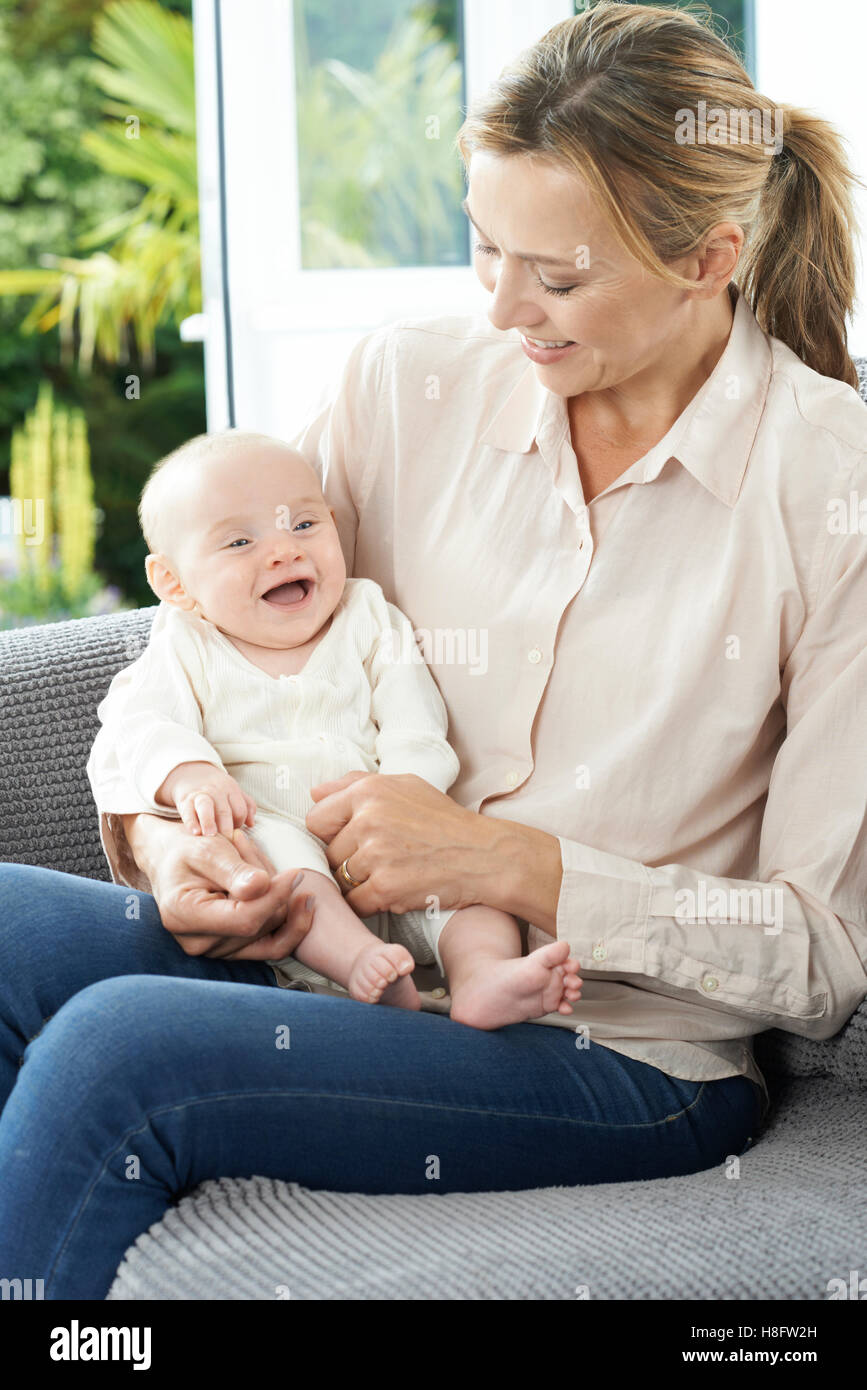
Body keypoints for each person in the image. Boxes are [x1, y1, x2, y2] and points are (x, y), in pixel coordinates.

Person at [1, 1, 865, 1300]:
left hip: (614, 1051)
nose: (503, 307)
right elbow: (212, 632)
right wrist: (179, 849)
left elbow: (817, 957)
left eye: (558, 276)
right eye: (483, 249)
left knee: (124, 1048)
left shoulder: (828, 485)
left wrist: (506, 859)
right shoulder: (406, 387)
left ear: (706, 259)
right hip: (336, 948)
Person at [87, 432, 583, 1024]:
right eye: (241, 541)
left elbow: (413, 719)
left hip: (390, 831)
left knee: (473, 895)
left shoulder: (367, 614)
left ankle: (481, 976)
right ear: (173, 583)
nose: (282, 553)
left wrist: (409, 797)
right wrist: (190, 776)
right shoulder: (185, 643)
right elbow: (140, 722)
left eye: (303, 525)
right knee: (285, 863)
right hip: (265, 822)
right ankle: (361, 964)